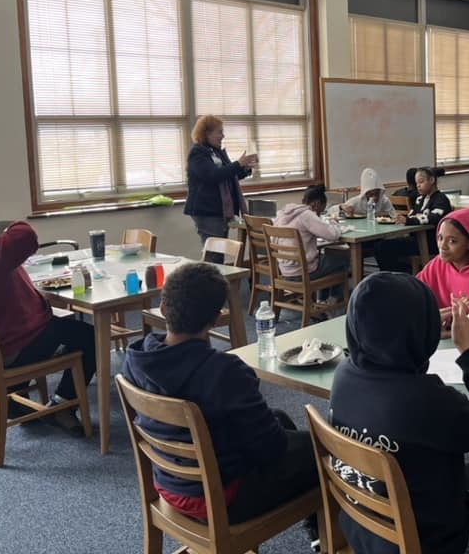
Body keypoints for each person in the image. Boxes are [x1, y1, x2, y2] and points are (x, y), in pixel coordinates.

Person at [329, 272, 469, 554]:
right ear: (419, 332)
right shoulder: (425, 399)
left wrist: (426, 323)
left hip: (363, 526)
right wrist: (467, 351)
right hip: (429, 541)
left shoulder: (343, 374)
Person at [122, 262, 320, 541]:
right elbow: (271, 450)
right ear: (216, 319)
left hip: (169, 484)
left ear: (164, 309)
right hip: (220, 498)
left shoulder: (137, 358)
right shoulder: (225, 372)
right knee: (322, 448)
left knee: (279, 418)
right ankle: (324, 534)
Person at [0, 203, 96, 435]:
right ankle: (63, 405)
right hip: (13, 347)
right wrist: (8, 228)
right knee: (89, 336)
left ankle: (15, 401)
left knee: (62, 326)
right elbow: (25, 235)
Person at [183, 115, 257, 257]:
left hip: (220, 210)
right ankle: (212, 278)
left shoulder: (217, 151)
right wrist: (238, 164)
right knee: (214, 254)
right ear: (207, 133)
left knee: (219, 252)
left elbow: (229, 175)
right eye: (220, 132)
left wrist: (246, 167)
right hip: (206, 210)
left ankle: (215, 277)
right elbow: (212, 175)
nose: (223, 136)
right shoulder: (197, 153)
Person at [273, 184, 348, 303]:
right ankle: (331, 301)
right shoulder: (307, 215)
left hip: (284, 270)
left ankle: (321, 300)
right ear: (316, 204)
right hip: (302, 272)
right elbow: (333, 235)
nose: (319, 215)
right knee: (342, 261)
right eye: (321, 211)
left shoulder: (283, 214)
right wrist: (334, 223)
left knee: (326, 261)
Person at [376, 166, 452, 273]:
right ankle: (394, 274)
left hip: (431, 242)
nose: (418, 186)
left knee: (384, 247)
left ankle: (397, 276)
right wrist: (403, 218)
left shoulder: (441, 199)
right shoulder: (420, 199)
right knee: (381, 245)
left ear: (432, 180)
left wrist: (409, 220)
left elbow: (432, 217)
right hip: (417, 239)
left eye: (421, 182)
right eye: (417, 183)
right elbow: (413, 215)